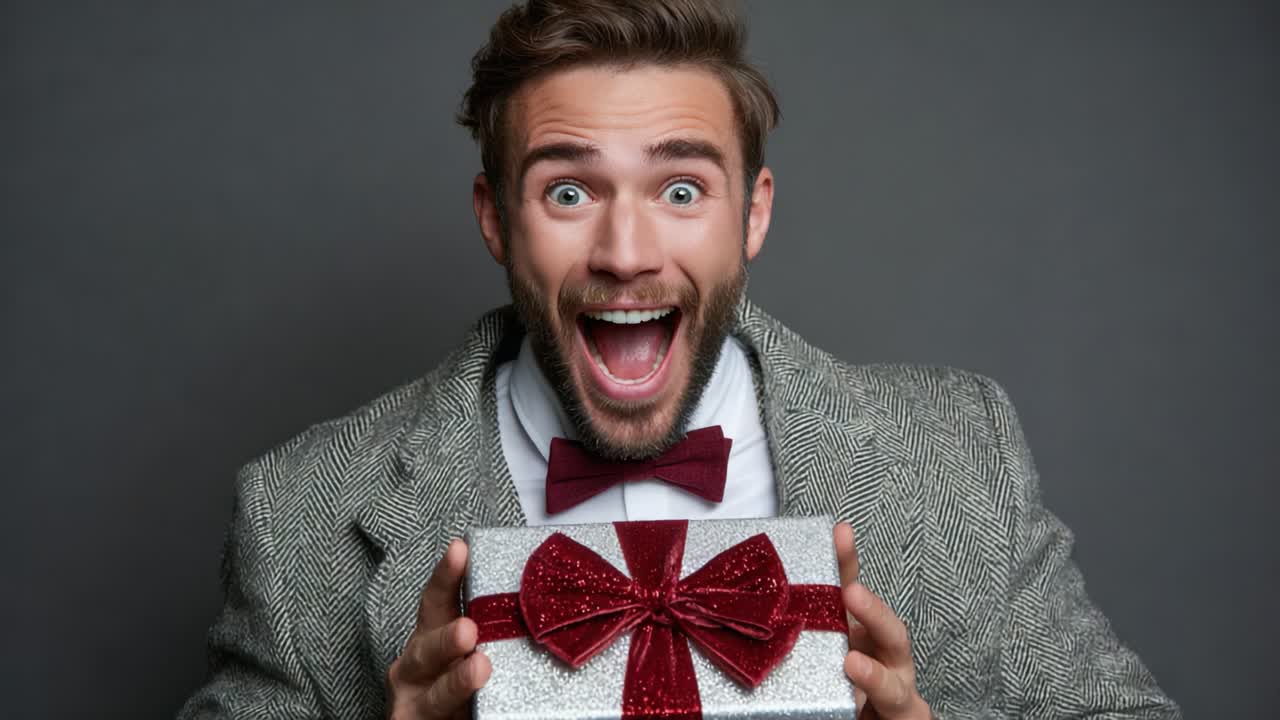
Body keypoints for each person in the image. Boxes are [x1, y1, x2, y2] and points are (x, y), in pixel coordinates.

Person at [178, 1, 1181, 718]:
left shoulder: (954, 453)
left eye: (682, 191)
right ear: (495, 219)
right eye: (567, 193)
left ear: (754, 213)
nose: (625, 253)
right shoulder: (300, 511)